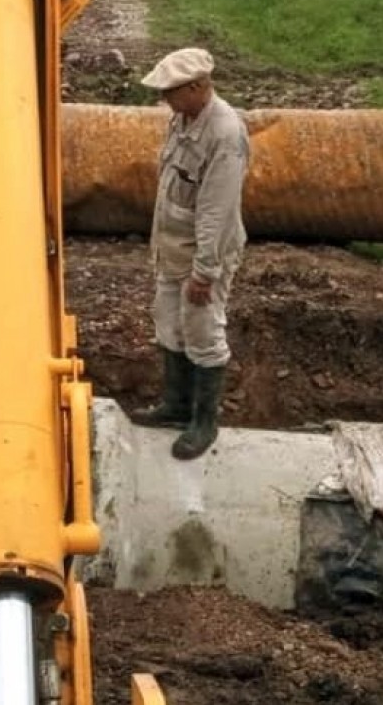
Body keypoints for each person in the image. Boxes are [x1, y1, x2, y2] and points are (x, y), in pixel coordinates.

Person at [133, 48, 249, 460]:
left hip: (202, 256)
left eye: (171, 91)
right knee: (169, 325)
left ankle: (204, 421)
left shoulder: (224, 134)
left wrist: (205, 272)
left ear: (198, 87)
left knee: (203, 333)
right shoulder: (182, 119)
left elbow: (216, 211)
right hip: (172, 248)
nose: (164, 99)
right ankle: (176, 405)